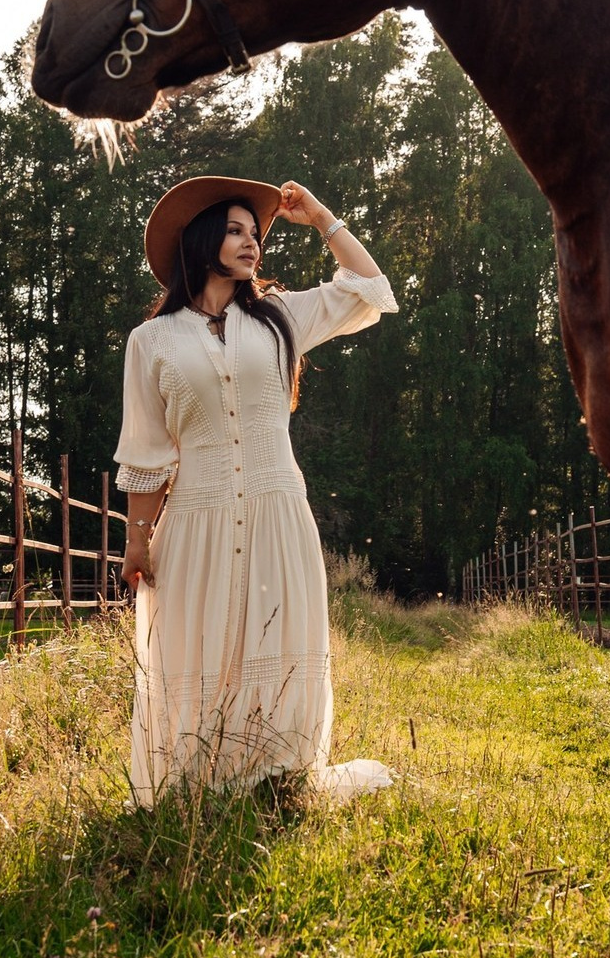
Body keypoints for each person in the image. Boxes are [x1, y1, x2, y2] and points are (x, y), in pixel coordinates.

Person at [114, 175, 398, 804]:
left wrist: (322, 216)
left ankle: (277, 780)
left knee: (278, 641)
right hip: (194, 520)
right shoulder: (151, 341)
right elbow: (145, 456)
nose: (252, 243)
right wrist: (137, 542)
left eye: (256, 233)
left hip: (278, 512)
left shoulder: (280, 320)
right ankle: (197, 783)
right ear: (203, 239)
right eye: (236, 230)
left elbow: (372, 292)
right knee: (199, 647)